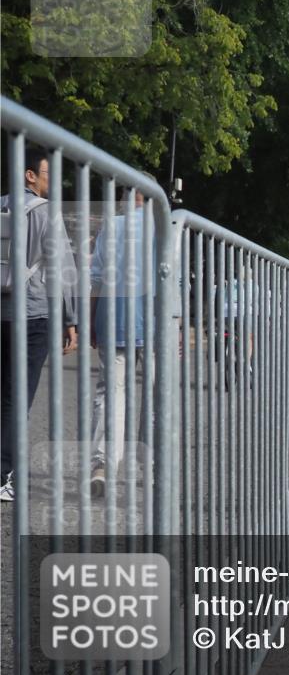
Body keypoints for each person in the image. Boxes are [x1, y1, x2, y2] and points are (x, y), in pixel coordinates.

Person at [0, 147, 78, 502]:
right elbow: (64, 271)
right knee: (17, 399)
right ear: (30, 175)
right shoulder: (48, 214)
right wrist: (71, 319)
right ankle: (4, 475)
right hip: (32, 315)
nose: (53, 183)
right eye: (48, 174)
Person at [89, 182, 154, 498]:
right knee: (156, 394)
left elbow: (96, 277)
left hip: (112, 316)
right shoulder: (167, 229)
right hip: (155, 322)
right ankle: (151, 465)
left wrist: (89, 320)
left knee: (110, 392)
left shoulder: (110, 226)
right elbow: (178, 282)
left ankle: (102, 464)